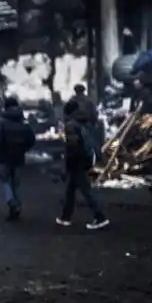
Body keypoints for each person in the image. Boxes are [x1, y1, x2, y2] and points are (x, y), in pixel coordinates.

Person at [55, 99, 111, 230]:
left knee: (86, 190)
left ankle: (100, 217)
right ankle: (65, 216)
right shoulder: (84, 121)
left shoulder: (71, 125)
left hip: (76, 161)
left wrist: (67, 161)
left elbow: (73, 146)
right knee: (70, 190)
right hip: (84, 159)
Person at [0, 97, 35, 221]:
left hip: (5, 156)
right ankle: (18, 206)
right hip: (19, 156)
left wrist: (0, 152)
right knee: (17, 183)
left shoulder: (1, 122)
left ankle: (11, 202)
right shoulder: (23, 121)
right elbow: (31, 139)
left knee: (5, 181)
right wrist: (23, 149)